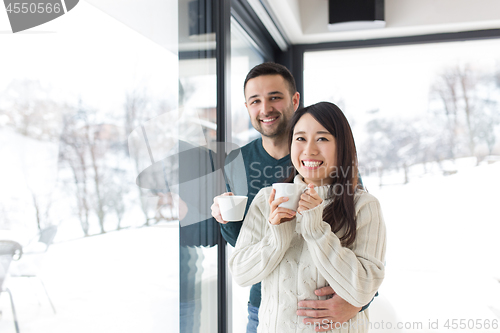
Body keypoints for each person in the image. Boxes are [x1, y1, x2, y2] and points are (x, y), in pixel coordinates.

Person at [211, 63, 374, 333]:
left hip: (325, 307)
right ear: (247, 106)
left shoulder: (321, 158)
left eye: (275, 97)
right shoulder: (237, 161)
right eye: (255, 101)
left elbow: (361, 237)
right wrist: (226, 221)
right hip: (265, 307)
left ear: (294, 100)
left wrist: (359, 303)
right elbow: (245, 243)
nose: (265, 109)